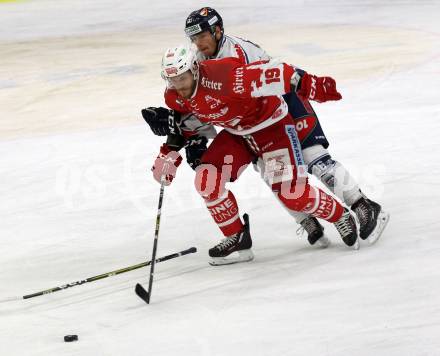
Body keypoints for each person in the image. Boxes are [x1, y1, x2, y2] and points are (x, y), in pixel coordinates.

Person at [143, 7, 389, 249]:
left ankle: (362, 205)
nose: (198, 42)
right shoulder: (194, 62)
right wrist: (185, 136)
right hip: (245, 120)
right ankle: (305, 217)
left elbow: (274, 75)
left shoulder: (235, 57)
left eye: (202, 35)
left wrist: (309, 84)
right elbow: (206, 104)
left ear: (218, 31)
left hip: (283, 98)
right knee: (267, 169)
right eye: (193, 38)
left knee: (314, 157)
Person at [152, 43, 360, 265]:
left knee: (293, 194)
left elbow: (272, 72)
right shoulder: (173, 95)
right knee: (207, 180)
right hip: (238, 135)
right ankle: (237, 237)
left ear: (194, 68)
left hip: (273, 129)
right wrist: (169, 153)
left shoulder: (223, 75)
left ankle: (340, 215)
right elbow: (185, 123)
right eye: (171, 80)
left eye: (181, 78)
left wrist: (310, 83)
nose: (177, 85)